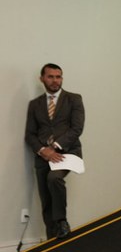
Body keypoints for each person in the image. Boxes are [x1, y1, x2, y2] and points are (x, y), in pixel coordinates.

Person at [24, 63, 85, 239]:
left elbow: (76, 129)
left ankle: (61, 221)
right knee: (46, 201)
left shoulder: (74, 99)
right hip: (42, 157)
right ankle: (52, 240)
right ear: (42, 78)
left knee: (54, 179)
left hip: (67, 152)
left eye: (58, 77)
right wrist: (43, 150)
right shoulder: (34, 104)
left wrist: (55, 147)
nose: (55, 81)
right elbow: (30, 134)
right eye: (50, 77)